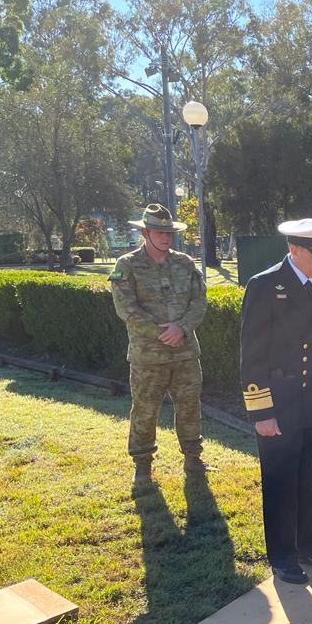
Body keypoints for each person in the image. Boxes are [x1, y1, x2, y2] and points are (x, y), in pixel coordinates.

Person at [239, 218, 312, 585]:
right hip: (280, 400)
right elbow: (251, 354)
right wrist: (262, 411)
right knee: (281, 478)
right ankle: (283, 555)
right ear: (295, 250)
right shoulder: (266, 285)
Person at [109, 204, 209, 488]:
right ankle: (142, 467)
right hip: (148, 356)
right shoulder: (126, 265)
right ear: (144, 232)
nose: (166, 237)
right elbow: (125, 308)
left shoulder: (185, 263)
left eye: (169, 232)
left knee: (190, 407)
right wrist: (161, 332)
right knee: (145, 410)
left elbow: (199, 301)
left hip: (185, 352)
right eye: (159, 232)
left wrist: (182, 328)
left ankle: (193, 459)